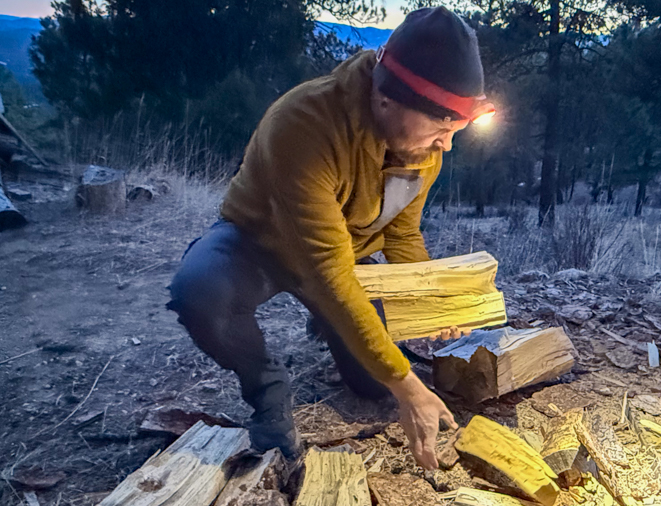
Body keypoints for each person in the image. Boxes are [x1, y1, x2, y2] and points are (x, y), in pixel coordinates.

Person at [167, 7, 494, 469]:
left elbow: (400, 231)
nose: (447, 145)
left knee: (373, 380)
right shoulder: (303, 124)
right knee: (200, 292)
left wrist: (430, 305)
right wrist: (408, 385)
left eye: (454, 130)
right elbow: (328, 271)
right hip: (262, 244)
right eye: (442, 128)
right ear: (386, 100)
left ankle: (330, 322)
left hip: (344, 259)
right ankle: (268, 389)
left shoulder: (418, 144)